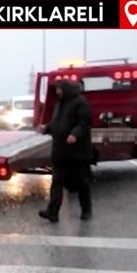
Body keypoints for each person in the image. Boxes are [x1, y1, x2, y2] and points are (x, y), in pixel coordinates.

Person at [38, 79, 93, 223]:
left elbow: (84, 122)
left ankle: (86, 209)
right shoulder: (59, 104)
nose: (57, 92)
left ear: (66, 89)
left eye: (59, 89)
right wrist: (47, 128)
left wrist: (75, 134)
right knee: (57, 181)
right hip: (60, 151)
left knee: (82, 181)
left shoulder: (80, 102)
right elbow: (58, 123)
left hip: (78, 152)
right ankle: (53, 212)